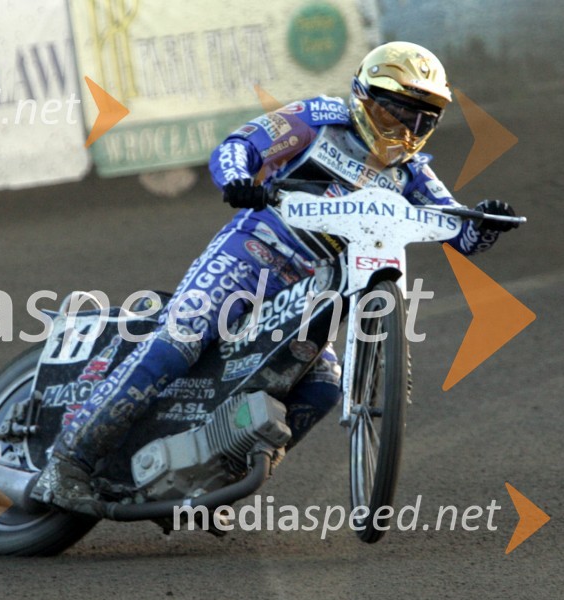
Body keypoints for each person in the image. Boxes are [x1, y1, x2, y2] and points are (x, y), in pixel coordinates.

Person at [32, 42, 518, 516]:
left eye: (422, 120)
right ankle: (66, 461)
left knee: (324, 388)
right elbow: (237, 146)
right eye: (397, 114)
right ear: (364, 97)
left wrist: (486, 221)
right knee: (178, 341)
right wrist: (240, 179)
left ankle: (214, 480)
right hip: (251, 255)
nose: (408, 130)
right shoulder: (319, 117)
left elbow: (460, 231)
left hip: (315, 293)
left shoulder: (413, 172)